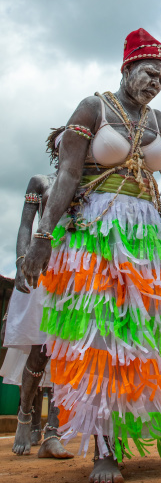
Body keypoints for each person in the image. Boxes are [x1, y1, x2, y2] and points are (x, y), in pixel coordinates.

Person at [22, 28, 161, 483]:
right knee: (102, 340)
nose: (156, 82)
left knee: (141, 342)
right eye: (150, 72)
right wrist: (43, 235)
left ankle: (124, 431)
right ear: (128, 67)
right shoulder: (93, 109)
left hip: (144, 239)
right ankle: (103, 450)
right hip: (94, 237)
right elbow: (69, 173)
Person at [1, 147, 74, 459]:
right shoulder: (40, 182)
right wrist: (21, 261)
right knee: (41, 350)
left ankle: (52, 432)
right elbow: (25, 225)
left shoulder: (87, 184)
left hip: (76, 271)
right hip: (42, 268)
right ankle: (25, 418)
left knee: (66, 352)